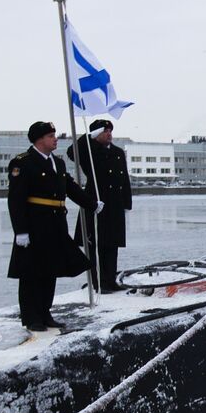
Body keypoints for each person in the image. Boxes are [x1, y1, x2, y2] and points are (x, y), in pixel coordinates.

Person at [7, 121, 99, 332]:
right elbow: (16, 200)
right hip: (34, 226)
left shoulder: (58, 163)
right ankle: (32, 317)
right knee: (31, 273)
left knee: (50, 270)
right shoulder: (23, 163)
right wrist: (20, 231)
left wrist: (92, 204)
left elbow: (70, 188)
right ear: (39, 139)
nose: (55, 139)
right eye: (51, 136)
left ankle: (45, 312)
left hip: (55, 224)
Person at [66, 118, 132, 292]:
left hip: (115, 204)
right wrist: (88, 137)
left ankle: (110, 280)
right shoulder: (90, 150)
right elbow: (72, 152)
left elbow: (124, 178)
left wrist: (126, 203)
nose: (109, 134)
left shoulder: (117, 152)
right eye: (104, 131)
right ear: (96, 135)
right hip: (96, 202)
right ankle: (98, 282)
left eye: (110, 131)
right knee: (96, 244)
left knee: (112, 244)